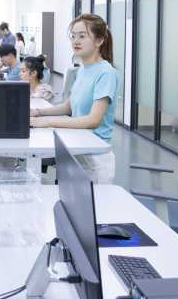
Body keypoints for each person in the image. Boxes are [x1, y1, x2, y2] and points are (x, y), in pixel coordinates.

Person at [30, 14, 118, 184]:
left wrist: (47, 122)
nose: (76, 41)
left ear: (99, 40)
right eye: (73, 36)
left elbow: (93, 120)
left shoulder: (106, 73)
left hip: (95, 155)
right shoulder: (83, 70)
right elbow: (69, 107)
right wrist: (38, 112)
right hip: (78, 147)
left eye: (82, 36)